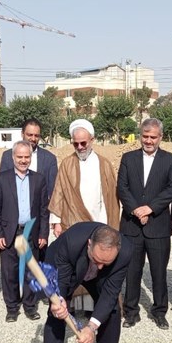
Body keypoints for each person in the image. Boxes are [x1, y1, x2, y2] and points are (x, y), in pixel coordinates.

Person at [43, 223, 132, 343]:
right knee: (57, 314)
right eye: (97, 259)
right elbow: (61, 279)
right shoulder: (71, 241)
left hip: (97, 277)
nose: (100, 266)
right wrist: (58, 300)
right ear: (89, 244)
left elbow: (110, 292)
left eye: (106, 262)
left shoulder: (125, 252)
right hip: (68, 267)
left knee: (111, 306)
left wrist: (91, 327)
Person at [48, 119, 120, 316]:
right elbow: (59, 192)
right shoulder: (67, 164)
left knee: (98, 264)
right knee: (76, 265)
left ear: (92, 140)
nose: (80, 147)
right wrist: (55, 221)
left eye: (84, 143)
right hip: (74, 223)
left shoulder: (104, 164)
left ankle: (96, 307)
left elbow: (111, 198)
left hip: (100, 222)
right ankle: (73, 305)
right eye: (76, 143)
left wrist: (110, 225)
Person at [117, 118, 172, 330]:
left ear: (161, 137)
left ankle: (159, 311)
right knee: (132, 271)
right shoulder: (128, 158)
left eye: (153, 137)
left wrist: (149, 208)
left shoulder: (171, 160)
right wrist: (136, 209)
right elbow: (122, 188)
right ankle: (131, 312)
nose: (149, 140)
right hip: (131, 226)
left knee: (159, 272)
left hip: (157, 225)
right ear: (140, 135)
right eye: (145, 136)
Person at [0, 141, 49, 322]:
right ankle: (12, 307)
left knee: (31, 271)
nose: (23, 160)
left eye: (27, 157)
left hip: (31, 232)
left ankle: (30, 306)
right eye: (20, 157)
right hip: (10, 233)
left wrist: (43, 234)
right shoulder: (1, 179)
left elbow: (43, 209)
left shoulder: (39, 179)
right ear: (13, 157)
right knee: (9, 272)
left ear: (31, 157)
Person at [0, 117, 58, 203]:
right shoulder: (7, 156)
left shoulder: (49, 159)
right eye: (30, 135)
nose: (33, 139)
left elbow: (53, 190)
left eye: (36, 135)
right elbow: (2, 186)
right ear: (22, 134)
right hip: (13, 211)